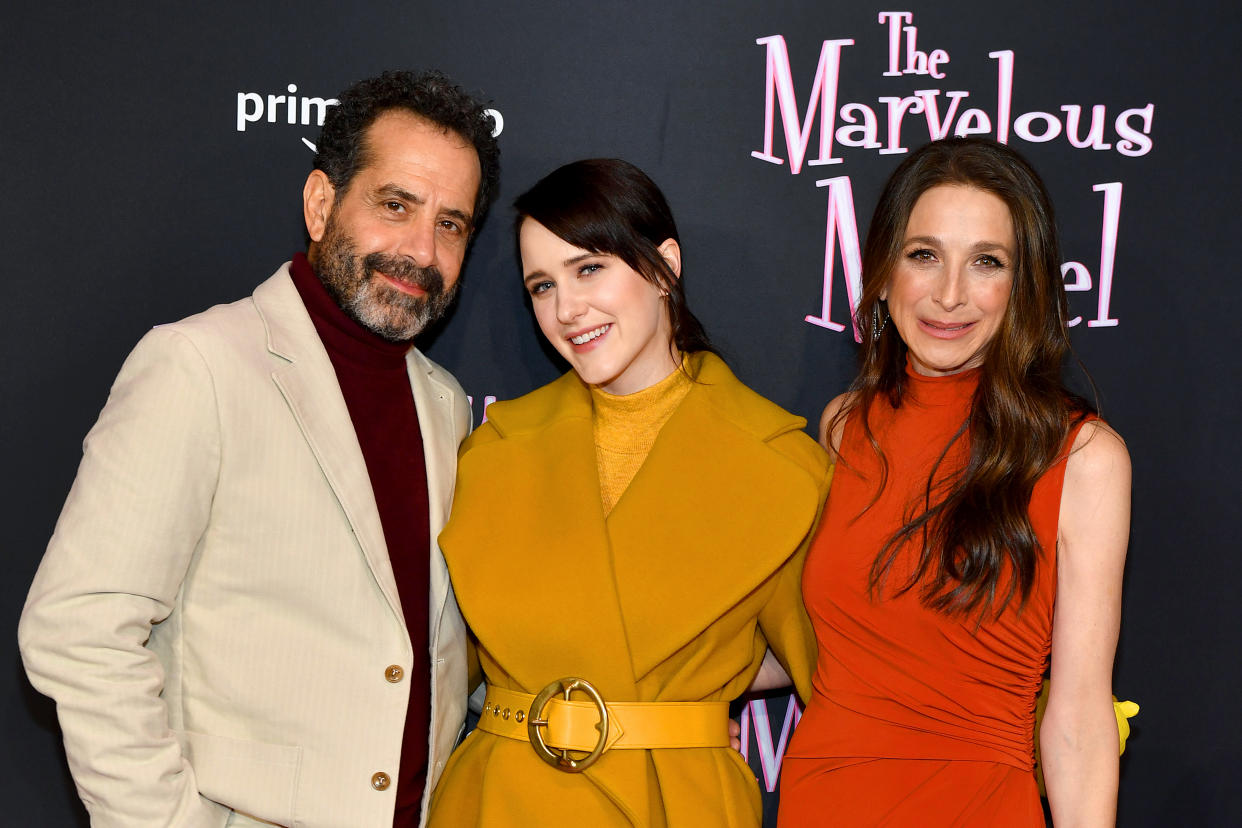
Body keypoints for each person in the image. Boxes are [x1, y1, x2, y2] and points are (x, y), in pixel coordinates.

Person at [18, 69, 500, 828]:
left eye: (451, 224)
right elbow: (78, 627)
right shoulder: (200, 366)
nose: (420, 249)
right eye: (396, 204)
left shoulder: (444, 404)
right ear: (320, 204)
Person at [425, 158, 832, 827]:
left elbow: (840, 669)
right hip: (498, 801)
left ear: (665, 266)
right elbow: (442, 663)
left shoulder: (781, 466)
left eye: (590, 269)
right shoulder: (491, 453)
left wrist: (681, 701)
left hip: (673, 802)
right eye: (541, 285)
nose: (567, 309)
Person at [779, 137, 1131, 826]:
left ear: (1022, 286)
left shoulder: (1082, 456)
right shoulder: (844, 425)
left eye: (986, 263)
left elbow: (1080, 717)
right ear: (882, 271)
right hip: (822, 799)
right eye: (924, 255)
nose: (948, 295)